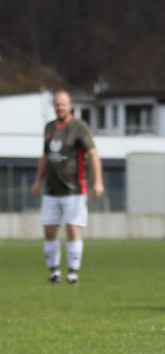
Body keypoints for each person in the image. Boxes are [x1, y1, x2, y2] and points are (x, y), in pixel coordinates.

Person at [31, 90, 104, 285]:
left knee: (72, 228)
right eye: (56, 104)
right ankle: (54, 272)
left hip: (74, 189)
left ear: (70, 105)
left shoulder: (79, 127)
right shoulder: (49, 128)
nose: (59, 107)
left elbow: (93, 154)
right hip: (51, 191)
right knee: (49, 230)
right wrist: (38, 180)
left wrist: (98, 181)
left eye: (63, 104)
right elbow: (45, 157)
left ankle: (72, 273)